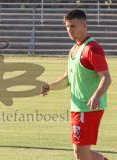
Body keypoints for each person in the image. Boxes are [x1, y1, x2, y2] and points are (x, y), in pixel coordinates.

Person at [42, 9, 111, 160]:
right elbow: (68, 79)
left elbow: (106, 77)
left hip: (88, 108)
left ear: (84, 26)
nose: (70, 30)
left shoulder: (92, 49)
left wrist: (96, 96)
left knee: (80, 155)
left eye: (73, 26)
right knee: (82, 153)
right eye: (67, 26)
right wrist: (50, 86)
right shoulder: (74, 49)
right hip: (77, 108)